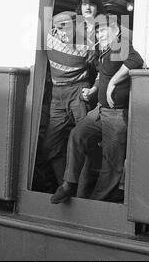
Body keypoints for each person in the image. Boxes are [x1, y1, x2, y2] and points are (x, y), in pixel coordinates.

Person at [50, 14, 144, 203]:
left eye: (102, 30)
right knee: (77, 135)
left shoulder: (120, 44)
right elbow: (102, 74)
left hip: (117, 114)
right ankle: (69, 184)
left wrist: (114, 83)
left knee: (112, 162)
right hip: (100, 111)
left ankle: (96, 202)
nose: (98, 35)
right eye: (97, 31)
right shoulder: (105, 51)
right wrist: (94, 89)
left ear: (115, 31)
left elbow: (136, 60)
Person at [42, 0, 105, 188]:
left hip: (79, 91)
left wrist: (94, 89)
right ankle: (65, 184)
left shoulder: (86, 45)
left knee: (84, 144)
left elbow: (103, 70)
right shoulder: (49, 41)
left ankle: (80, 192)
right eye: (60, 28)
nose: (64, 32)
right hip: (57, 95)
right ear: (53, 30)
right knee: (50, 146)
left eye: (68, 28)